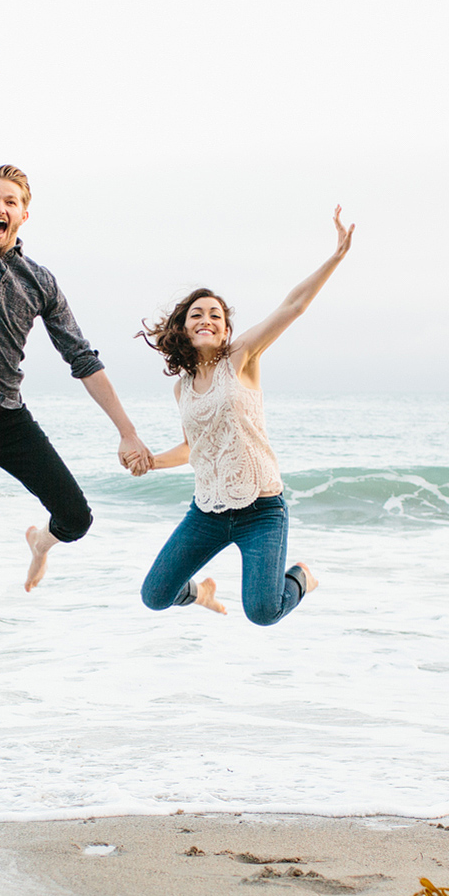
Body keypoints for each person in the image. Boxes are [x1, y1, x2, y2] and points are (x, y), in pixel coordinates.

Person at [0, 36, 153, 590]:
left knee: (78, 518)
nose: (0, 207)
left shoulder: (39, 281)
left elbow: (82, 358)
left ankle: (38, 543)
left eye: (11, 201)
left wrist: (128, 433)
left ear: (24, 214)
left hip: (5, 419)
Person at [134, 208, 354, 624]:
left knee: (263, 612)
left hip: (261, 511)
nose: (207, 319)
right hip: (207, 513)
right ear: (182, 326)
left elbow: (293, 305)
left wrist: (336, 257)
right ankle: (201, 593)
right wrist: (150, 461)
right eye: (197, 313)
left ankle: (302, 577)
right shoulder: (181, 388)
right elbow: (191, 448)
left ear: (225, 331)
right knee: (155, 595)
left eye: (216, 315)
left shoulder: (240, 358)